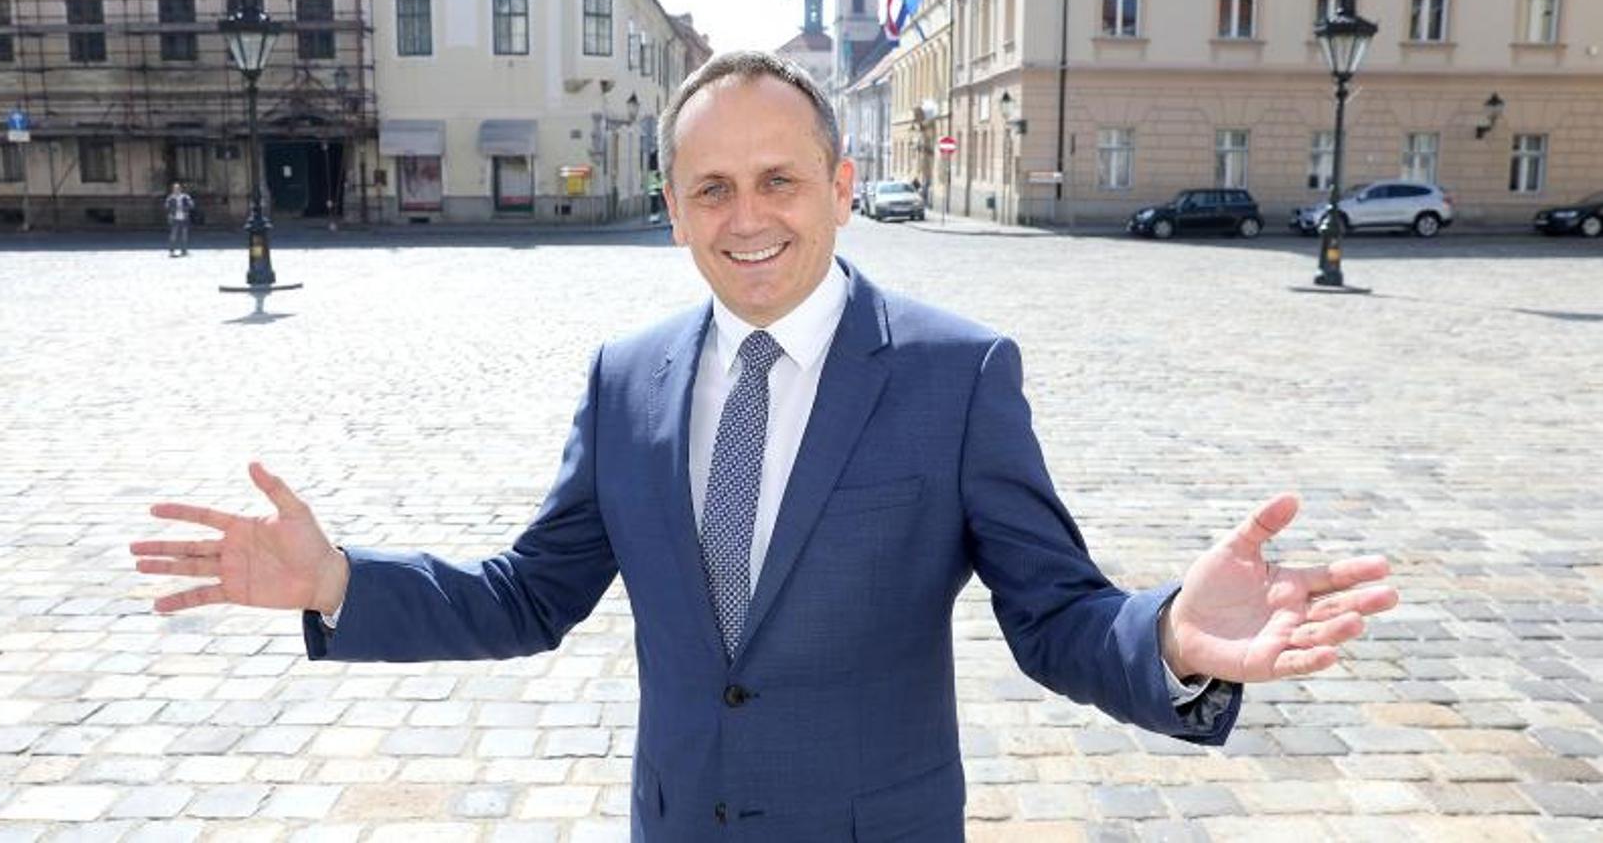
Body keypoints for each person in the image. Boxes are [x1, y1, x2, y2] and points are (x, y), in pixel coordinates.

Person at [132, 51, 1398, 841]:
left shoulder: (956, 374)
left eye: (778, 180)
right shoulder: (625, 379)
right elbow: (529, 595)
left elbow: (1054, 615)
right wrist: (338, 581)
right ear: (673, 209)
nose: (748, 218)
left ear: (839, 188)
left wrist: (1167, 638)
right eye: (712, 188)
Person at [164, 182, 194, 257]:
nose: (176, 190)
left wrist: (185, 207)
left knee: (184, 236)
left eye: (178, 188)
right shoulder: (170, 197)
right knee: (173, 236)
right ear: (173, 189)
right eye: (175, 188)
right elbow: (166, 206)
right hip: (175, 218)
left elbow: (191, 205)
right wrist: (172, 210)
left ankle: (184, 251)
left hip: (184, 218)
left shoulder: (185, 197)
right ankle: (172, 251)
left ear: (180, 189)